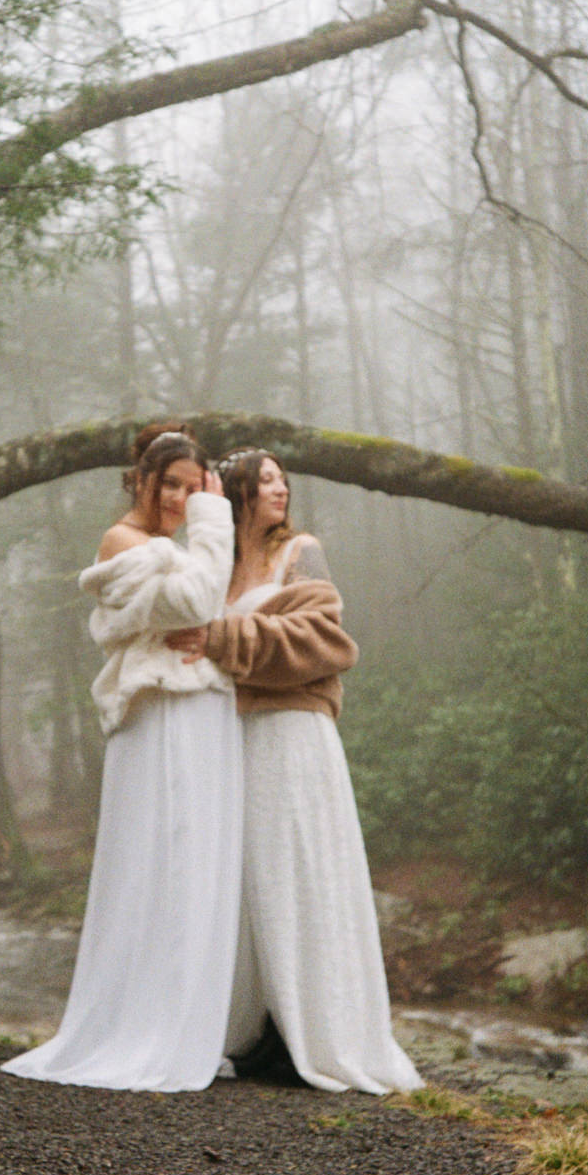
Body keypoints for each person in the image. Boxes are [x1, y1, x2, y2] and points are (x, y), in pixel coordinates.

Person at [169, 449, 422, 1094]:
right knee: (246, 880)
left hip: (292, 733)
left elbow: (327, 642)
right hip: (235, 739)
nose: (280, 488)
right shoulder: (220, 571)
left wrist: (224, 639)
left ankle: (310, 1033)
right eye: (267, 479)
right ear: (238, 493)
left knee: (299, 873)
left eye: (283, 479)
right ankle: (256, 1029)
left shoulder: (301, 551)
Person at [1, 423, 244, 1092]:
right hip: (159, 711)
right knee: (161, 856)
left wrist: (198, 582)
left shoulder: (174, 546)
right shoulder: (123, 541)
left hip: (199, 707)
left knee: (196, 862)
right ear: (141, 480)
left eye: (194, 488)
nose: (181, 498)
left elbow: (202, 605)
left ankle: (185, 1025)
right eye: (171, 485)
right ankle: (144, 1030)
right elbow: (197, 598)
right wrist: (214, 515)